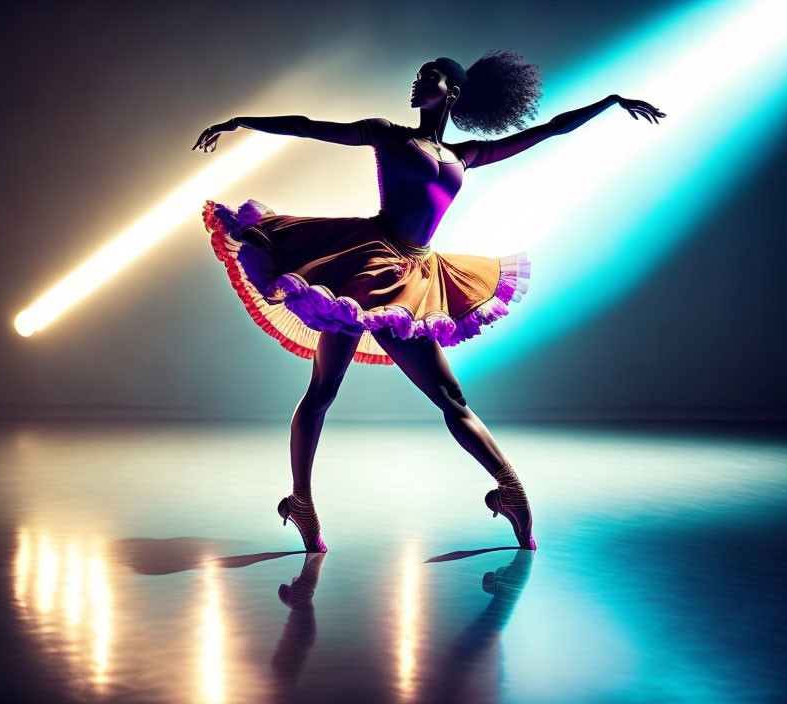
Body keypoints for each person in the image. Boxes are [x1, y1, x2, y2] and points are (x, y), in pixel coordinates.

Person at [193, 50, 665, 554]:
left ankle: (512, 492)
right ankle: (307, 501)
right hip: (362, 268)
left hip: (413, 276)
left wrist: (609, 101)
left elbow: (549, 129)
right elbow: (311, 126)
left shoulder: (466, 156)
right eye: (417, 76)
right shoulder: (389, 135)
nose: (416, 83)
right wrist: (243, 120)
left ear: (452, 93)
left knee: (434, 397)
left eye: (428, 77)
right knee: (331, 392)